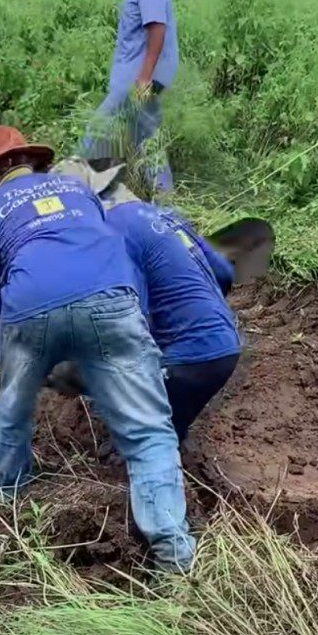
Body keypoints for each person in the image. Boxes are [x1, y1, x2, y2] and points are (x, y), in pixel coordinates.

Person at [0, 125, 196, 573]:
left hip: (30, 309)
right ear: (29, 161)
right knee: (148, 432)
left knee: (13, 410)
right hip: (112, 299)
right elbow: (106, 250)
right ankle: (173, 557)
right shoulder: (76, 188)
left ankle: (5, 513)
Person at [93, 171, 242, 446]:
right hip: (226, 349)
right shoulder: (168, 217)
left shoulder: (111, 229)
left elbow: (128, 309)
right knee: (169, 431)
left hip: (182, 361)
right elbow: (222, 271)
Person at [81, 0, 178, 193]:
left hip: (140, 80)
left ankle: (84, 191)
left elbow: (157, 28)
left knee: (98, 129)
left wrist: (144, 78)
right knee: (144, 136)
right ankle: (163, 196)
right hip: (136, 78)